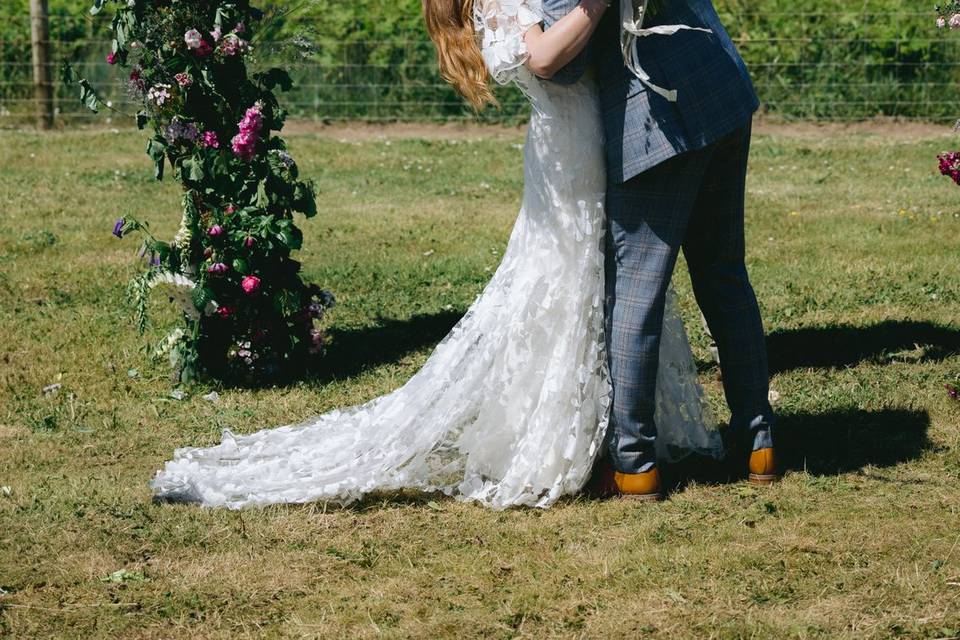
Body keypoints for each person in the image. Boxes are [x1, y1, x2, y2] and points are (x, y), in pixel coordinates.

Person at [149, 0, 724, 510]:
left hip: (603, 134)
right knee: (572, 285)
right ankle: (581, 443)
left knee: (610, 284)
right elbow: (546, 57)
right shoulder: (494, 3)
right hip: (573, 153)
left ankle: (613, 438)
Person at [541, 0, 778, 492]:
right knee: (724, 274)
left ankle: (634, 462)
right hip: (719, 88)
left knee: (636, 291)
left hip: (652, 120)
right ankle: (759, 441)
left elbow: (565, 68)